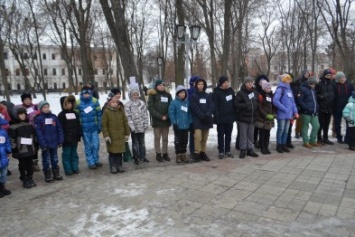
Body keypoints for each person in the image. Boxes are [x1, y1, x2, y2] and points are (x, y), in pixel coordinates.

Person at [34, 101, 64, 183]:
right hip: (45, 144)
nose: (47, 108)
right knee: (46, 159)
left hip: (54, 142)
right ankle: (47, 173)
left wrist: (60, 140)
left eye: (48, 106)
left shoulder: (53, 117)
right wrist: (43, 143)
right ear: (40, 109)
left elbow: (59, 129)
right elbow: (39, 133)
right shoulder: (39, 119)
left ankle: (56, 172)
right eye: (44, 107)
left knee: (54, 158)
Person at [8, 108, 38, 188]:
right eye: (21, 114)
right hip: (20, 150)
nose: (23, 115)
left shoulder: (29, 125)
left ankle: (29, 177)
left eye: (24, 114)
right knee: (23, 164)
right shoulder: (13, 127)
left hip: (30, 148)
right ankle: (24, 178)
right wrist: (14, 148)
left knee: (30, 164)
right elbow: (12, 139)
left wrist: (35, 146)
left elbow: (34, 137)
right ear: (16, 115)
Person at [75, 86, 102, 169]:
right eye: (85, 93)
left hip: (94, 127)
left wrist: (99, 125)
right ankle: (91, 162)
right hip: (85, 129)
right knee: (88, 146)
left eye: (88, 93)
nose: (86, 95)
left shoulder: (95, 101)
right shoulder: (78, 103)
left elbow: (99, 114)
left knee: (96, 145)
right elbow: (76, 116)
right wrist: (79, 128)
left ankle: (96, 160)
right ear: (82, 94)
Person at [102, 97, 130, 173]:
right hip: (112, 136)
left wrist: (127, 133)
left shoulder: (121, 111)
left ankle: (119, 165)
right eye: (113, 102)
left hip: (120, 136)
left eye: (116, 102)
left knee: (119, 153)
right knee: (112, 153)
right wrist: (106, 135)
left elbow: (125, 123)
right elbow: (104, 125)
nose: (115, 103)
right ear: (109, 103)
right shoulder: (106, 112)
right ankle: (113, 166)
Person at [14, 92, 40, 172]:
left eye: (29, 99)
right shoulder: (20, 108)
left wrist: (37, 113)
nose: (28, 101)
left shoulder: (35, 106)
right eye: (26, 99)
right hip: (25, 129)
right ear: (23, 100)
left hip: (34, 129)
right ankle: (28, 162)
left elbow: (39, 114)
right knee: (26, 146)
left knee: (35, 146)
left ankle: (35, 162)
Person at [190, 78, 214, 162]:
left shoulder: (208, 95)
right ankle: (197, 153)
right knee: (198, 137)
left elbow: (211, 106)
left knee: (204, 137)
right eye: (199, 84)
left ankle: (203, 152)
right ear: (196, 85)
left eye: (202, 84)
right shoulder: (193, 96)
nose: (201, 86)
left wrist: (207, 115)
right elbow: (194, 107)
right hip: (198, 120)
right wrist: (202, 116)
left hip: (207, 120)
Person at [147, 79, 172, 162]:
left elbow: (171, 106)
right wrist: (160, 116)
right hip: (157, 121)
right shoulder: (152, 95)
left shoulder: (168, 95)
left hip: (166, 121)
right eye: (160, 85)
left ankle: (165, 153)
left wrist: (167, 116)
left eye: (163, 85)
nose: (161, 86)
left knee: (165, 138)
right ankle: (158, 154)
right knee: (157, 138)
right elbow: (150, 108)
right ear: (156, 86)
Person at [273, 74, 299, 153]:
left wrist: (295, 111)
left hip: (289, 114)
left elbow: (293, 102)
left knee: (286, 130)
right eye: (288, 79)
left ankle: (284, 144)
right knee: (281, 129)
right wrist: (284, 109)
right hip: (282, 114)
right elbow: (275, 101)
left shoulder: (289, 90)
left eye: (290, 79)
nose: (290, 81)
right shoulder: (280, 89)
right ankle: (279, 145)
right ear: (284, 80)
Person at [235, 77, 259, 158]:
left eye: (251, 82)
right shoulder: (240, 93)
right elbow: (236, 104)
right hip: (243, 118)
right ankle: (243, 149)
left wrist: (256, 107)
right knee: (243, 135)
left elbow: (257, 103)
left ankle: (250, 149)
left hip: (252, 117)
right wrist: (246, 106)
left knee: (251, 135)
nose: (250, 83)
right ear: (245, 83)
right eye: (248, 82)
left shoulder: (255, 92)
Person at [58, 95, 82, 175]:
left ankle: (75, 168)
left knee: (74, 154)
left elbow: (78, 125)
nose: (69, 105)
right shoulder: (61, 115)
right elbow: (60, 128)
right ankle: (68, 169)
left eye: (71, 103)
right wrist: (62, 138)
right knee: (66, 154)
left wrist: (79, 134)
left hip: (74, 138)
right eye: (67, 103)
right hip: (66, 139)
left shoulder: (75, 113)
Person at [212, 76, 236, 159]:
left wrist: (234, 115)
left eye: (227, 82)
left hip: (230, 117)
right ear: (221, 83)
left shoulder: (231, 91)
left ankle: (228, 150)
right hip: (221, 118)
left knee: (229, 135)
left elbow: (234, 103)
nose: (226, 84)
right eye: (225, 83)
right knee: (221, 135)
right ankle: (221, 151)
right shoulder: (217, 92)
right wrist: (216, 117)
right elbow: (215, 106)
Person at [124, 88, 149, 164]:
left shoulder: (142, 103)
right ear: (131, 95)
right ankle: (136, 157)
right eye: (134, 95)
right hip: (134, 128)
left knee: (142, 142)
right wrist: (132, 126)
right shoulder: (128, 105)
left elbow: (145, 114)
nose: (136, 96)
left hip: (141, 127)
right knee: (135, 143)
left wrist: (145, 123)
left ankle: (143, 156)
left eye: (137, 94)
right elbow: (128, 116)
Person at [168, 85, 192, 163]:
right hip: (178, 125)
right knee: (178, 141)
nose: (183, 94)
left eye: (184, 93)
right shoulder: (174, 102)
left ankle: (183, 154)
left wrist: (190, 122)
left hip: (186, 125)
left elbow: (189, 113)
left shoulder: (187, 102)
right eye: (181, 93)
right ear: (178, 94)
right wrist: (174, 123)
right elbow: (171, 113)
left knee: (185, 141)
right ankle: (178, 155)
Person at [297, 77, 321, 148]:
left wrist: (317, 107)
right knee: (305, 127)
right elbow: (300, 100)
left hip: (314, 111)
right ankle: (306, 142)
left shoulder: (313, 90)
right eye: (312, 84)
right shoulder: (302, 89)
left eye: (314, 84)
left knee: (316, 126)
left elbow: (314, 100)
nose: (313, 85)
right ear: (309, 83)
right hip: (306, 112)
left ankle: (312, 140)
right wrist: (306, 108)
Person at [315, 69, 336, 145]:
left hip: (329, 107)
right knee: (320, 123)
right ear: (324, 76)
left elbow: (335, 94)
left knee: (327, 124)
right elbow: (315, 94)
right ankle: (319, 138)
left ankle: (326, 138)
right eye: (327, 75)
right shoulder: (319, 84)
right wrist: (320, 96)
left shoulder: (332, 84)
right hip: (321, 107)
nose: (329, 77)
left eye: (330, 75)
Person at [334, 72, 354, 144]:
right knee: (337, 123)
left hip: (348, 108)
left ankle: (347, 138)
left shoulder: (349, 85)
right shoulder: (335, 86)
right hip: (337, 107)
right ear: (338, 79)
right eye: (340, 78)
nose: (342, 79)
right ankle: (339, 138)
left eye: (343, 77)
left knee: (349, 123)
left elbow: (353, 94)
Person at [255, 81, 275, 155]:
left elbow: (273, 106)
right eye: (267, 88)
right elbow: (259, 107)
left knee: (268, 133)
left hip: (269, 119)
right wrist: (266, 115)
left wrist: (273, 114)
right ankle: (262, 147)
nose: (269, 89)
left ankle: (266, 147)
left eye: (270, 87)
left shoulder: (271, 96)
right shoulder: (261, 96)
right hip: (262, 119)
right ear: (264, 88)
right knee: (262, 134)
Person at [253, 74, 270, 149]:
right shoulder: (255, 91)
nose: (262, 84)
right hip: (256, 112)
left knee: (263, 130)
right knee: (256, 128)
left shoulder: (267, 91)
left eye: (264, 82)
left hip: (265, 114)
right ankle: (255, 140)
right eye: (260, 82)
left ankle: (262, 142)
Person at [293, 69, 310, 139]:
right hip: (299, 100)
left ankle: (303, 132)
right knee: (299, 118)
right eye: (305, 73)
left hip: (307, 101)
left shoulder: (309, 81)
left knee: (305, 119)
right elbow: (295, 88)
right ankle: (297, 132)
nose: (307, 74)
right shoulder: (299, 81)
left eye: (308, 73)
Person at [187, 76, 199, 159]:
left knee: (198, 134)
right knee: (193, 134)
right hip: (192, 116)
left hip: (199, 117)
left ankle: (198, 150)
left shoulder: (201, 91)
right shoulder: (189, 92)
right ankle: (193, 150)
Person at [0, 116, 12, 197]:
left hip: (3, 156)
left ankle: (2, 187)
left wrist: (9, 150)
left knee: (4, 174)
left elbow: (7, 142)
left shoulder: (3, 132)